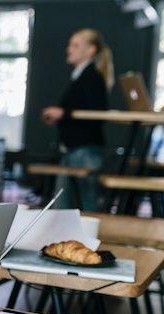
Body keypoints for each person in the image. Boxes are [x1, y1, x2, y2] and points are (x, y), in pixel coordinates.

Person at [41, 28, 112, 211]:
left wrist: (64, 114)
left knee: (85, 207)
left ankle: (84, 241)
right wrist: (62, 117)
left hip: (84, 151)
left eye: (75, 45)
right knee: (63, 207)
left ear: (90, 50)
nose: (69, 49)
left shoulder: (91, 76)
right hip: (74, 150)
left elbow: (97, 112)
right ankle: (65, 241)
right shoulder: (82, 75)